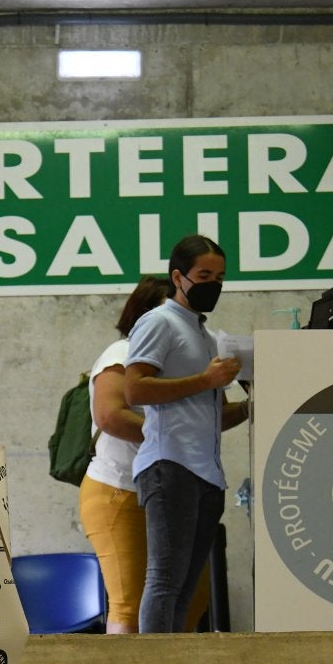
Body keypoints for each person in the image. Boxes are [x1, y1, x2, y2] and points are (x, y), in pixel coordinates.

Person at [124, 235, 248, 633]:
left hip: (206, 473)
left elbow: (208, 413)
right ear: (178, 277)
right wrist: (205, 379)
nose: (214, 283)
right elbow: (135, 389)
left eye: (221, 276)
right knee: (164, 582)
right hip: (170, 464)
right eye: (204, 275)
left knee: (184, 589)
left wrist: (253, 404)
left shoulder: (206, 336)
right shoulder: (159, 322)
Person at [80, 277, 211, 633]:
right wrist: (175, 432)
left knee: (192, 599)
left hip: (172, 494)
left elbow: (210, 419)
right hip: (119, 492)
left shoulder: (190, 362)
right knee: (132, 603)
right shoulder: (121, 355)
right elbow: (109, 416)